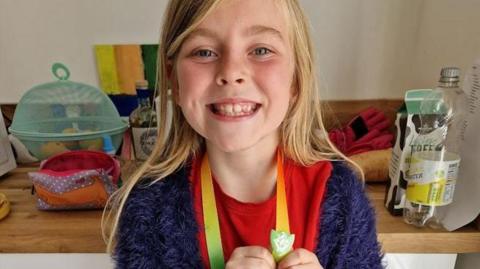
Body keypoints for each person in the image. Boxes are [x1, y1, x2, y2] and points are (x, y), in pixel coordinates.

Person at [103, 0, 384, 268]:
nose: (231, 72)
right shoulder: (149, 209)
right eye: (204, 51)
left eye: (261, 50)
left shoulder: (341, 196)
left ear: (296, 78)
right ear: (174, 80)